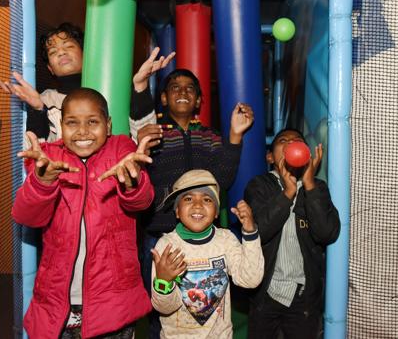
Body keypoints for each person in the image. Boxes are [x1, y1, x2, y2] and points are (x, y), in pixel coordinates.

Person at [12, 87, 155, 339]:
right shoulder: (50, 157)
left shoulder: (121, 149)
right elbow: (26, 216)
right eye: (72, 123)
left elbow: (141, 203)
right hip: (58, 302)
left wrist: (132, 183)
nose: (82, 131)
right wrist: (42, 182)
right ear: (61, 124)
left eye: (92, 122)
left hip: (112, 303)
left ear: (108, 125)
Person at [131, 68, 254, 337]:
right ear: (163, 98)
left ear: (199, 100)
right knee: (161, 306)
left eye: (190, 88)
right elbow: (140, 173)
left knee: (204, 303)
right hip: (159, 235)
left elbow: (222, 179)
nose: (183, 91)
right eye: (175, 87)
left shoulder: (209, 137)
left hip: (201, 241)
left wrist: (234, 136)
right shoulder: (155, 135)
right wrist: (140, 92)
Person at [0, 22, 174, 141]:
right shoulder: (46, 100)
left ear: (85, 54)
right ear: (50, 68)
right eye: (53, 52)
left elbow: (143, 137)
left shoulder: (109, 87)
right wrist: (37, 110)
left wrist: (140, 87)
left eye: (68, 46)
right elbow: (40, 149)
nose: (61, 53)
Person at [244, 128, 341, 339]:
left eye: (297, 141)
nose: (291, 144)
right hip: (265, 294)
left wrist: (309, 185)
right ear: (270, 157)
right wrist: (288, 193)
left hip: (303, 296)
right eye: (283, 141)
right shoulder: (259, 186)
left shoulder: (318, 188)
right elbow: (258, 231)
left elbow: (326, 233)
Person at [151, 169, 264, 338]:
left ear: (217, 212)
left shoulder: (225, 240)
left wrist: (250, 232)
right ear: (177, 211)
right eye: (188, 198)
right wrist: (164, 283)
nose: (198, 205)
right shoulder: (167, 246)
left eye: (207, 199)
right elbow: (165, 308)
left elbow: (250, 279)